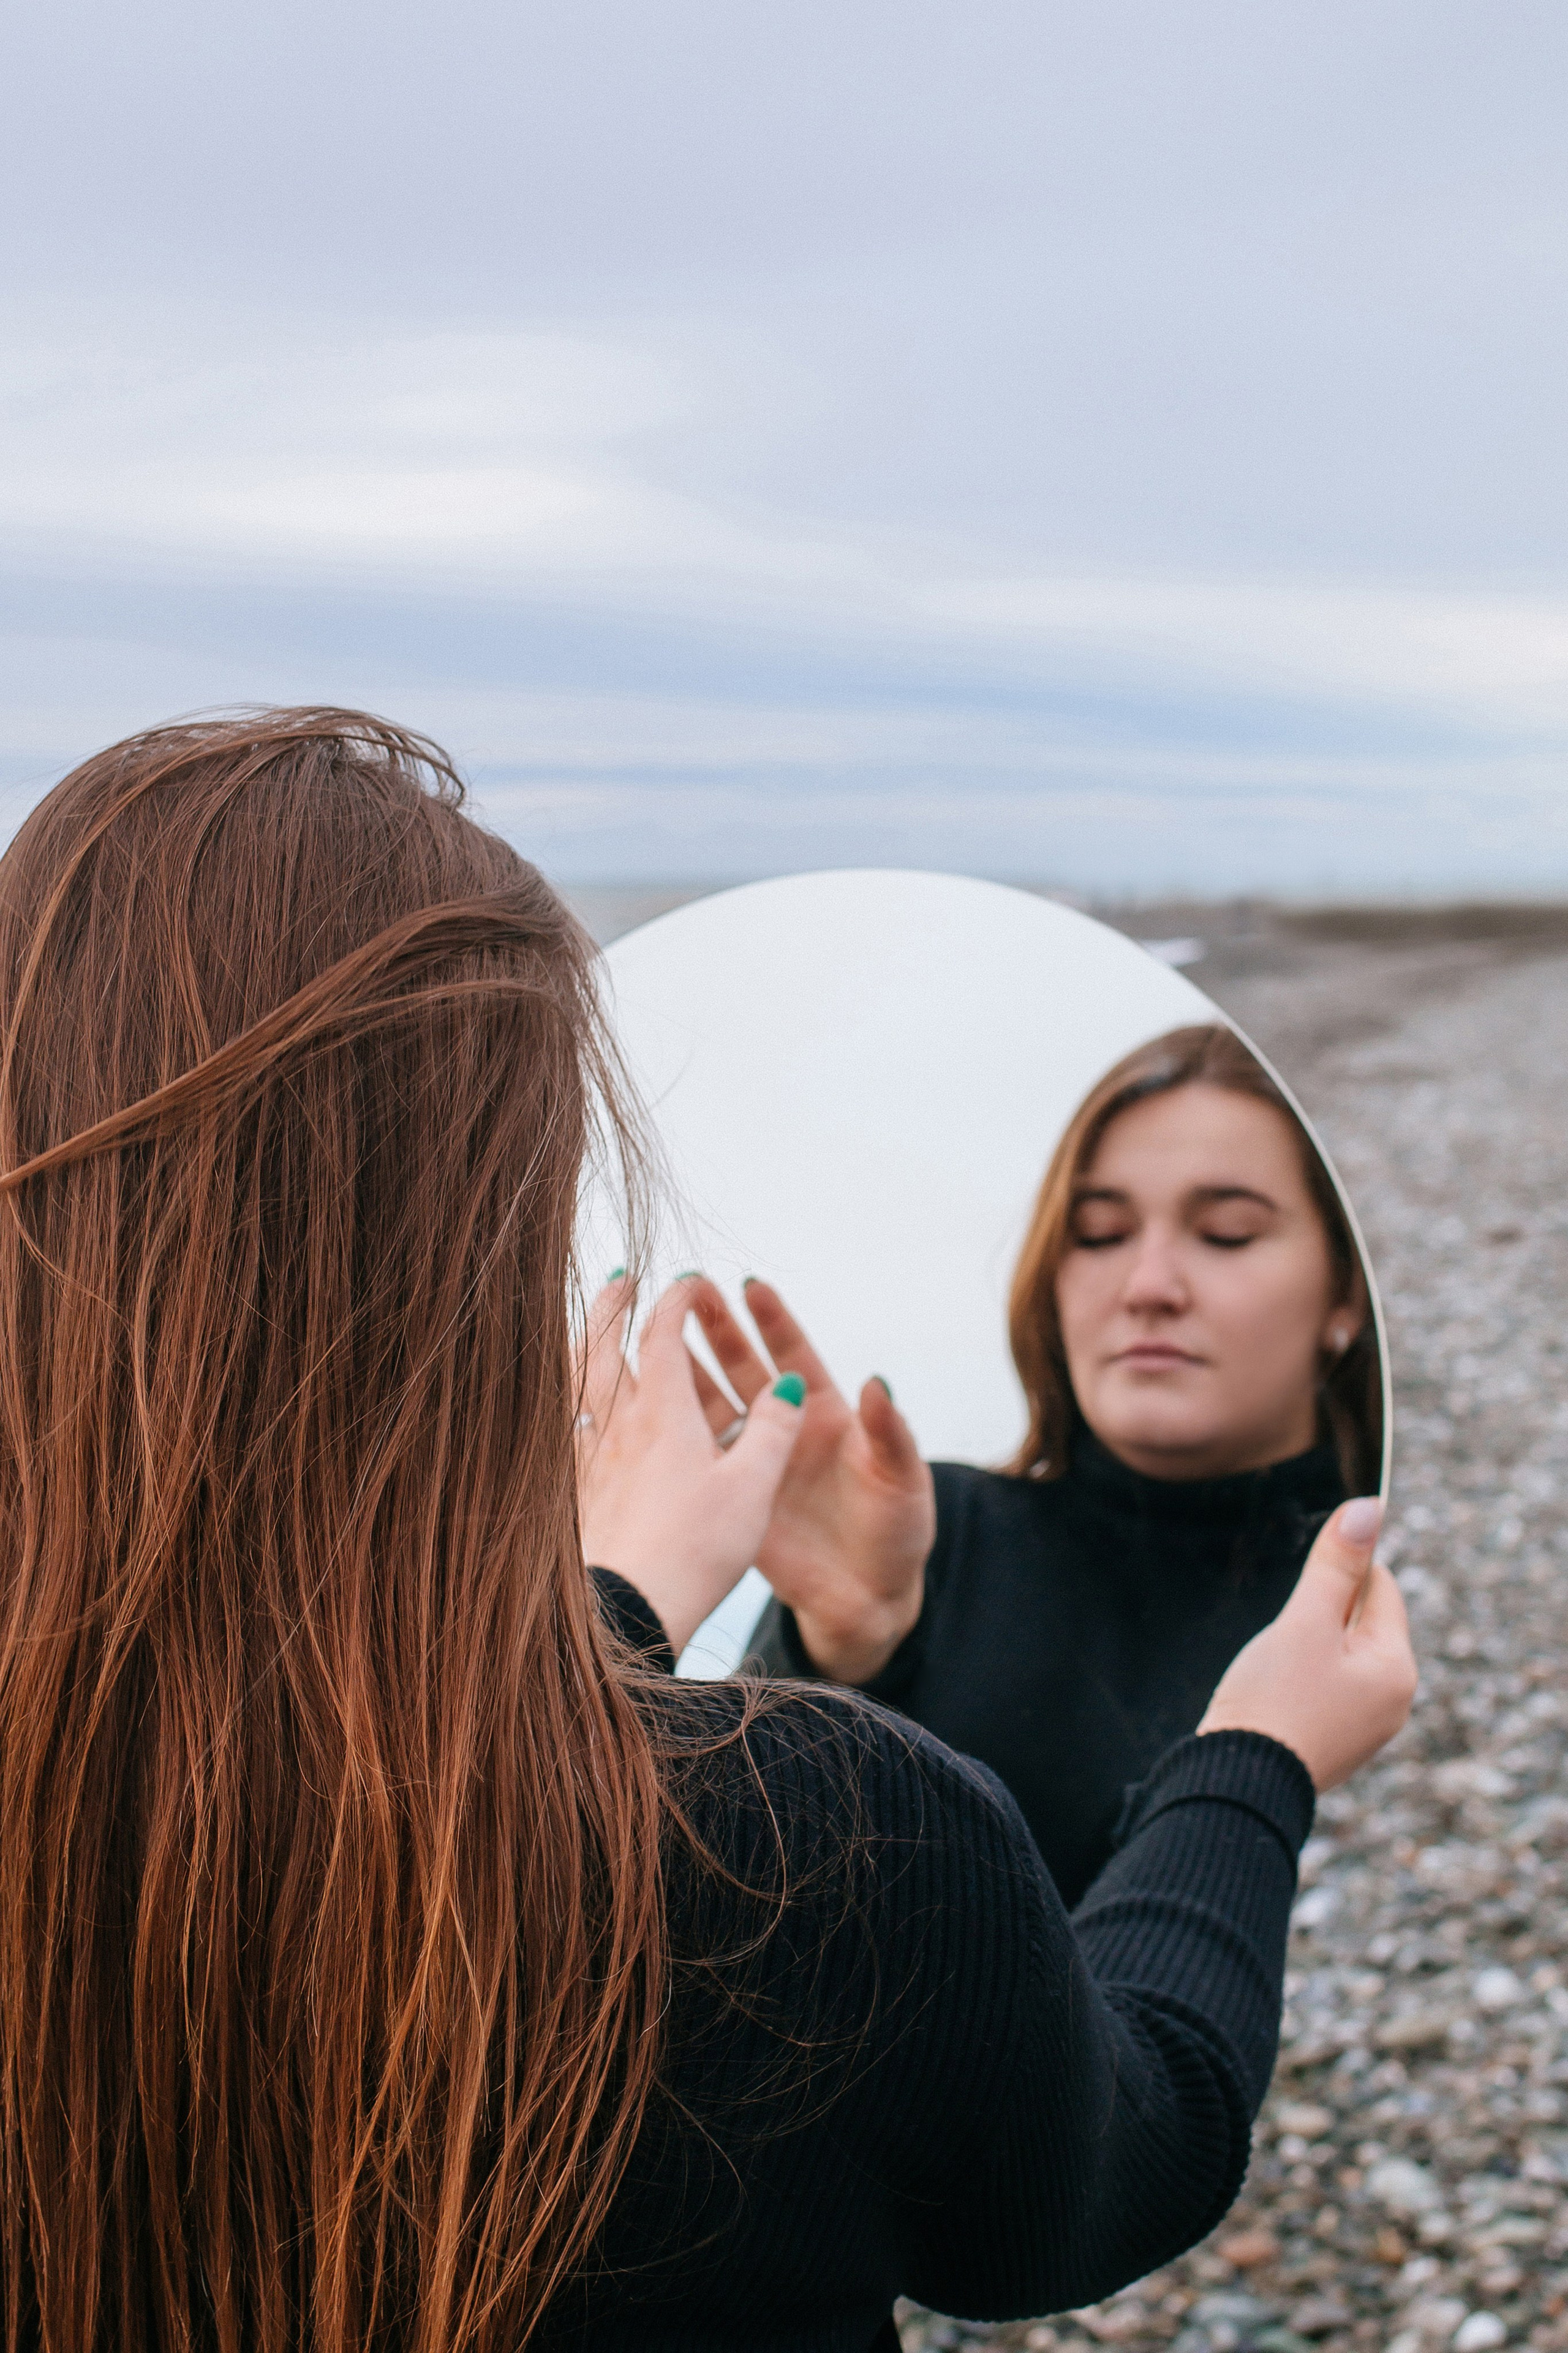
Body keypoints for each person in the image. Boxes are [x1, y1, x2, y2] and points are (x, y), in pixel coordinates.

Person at [0, 712, 1414, 2353]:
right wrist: (1255, 1760)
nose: (1151, 1280)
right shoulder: (814, 1839)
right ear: (477, 1239)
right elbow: (1103, 2162)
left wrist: (649, 1611)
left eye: (1225, 1229)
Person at [710, 1027, 1382, 1903]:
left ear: (1344, 1295)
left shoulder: (1381, 1603)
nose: (1149, 1284)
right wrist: (830, 1660)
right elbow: (710, 1922)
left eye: (1226, 1234)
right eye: (1100, 1233)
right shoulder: (926, 1540)